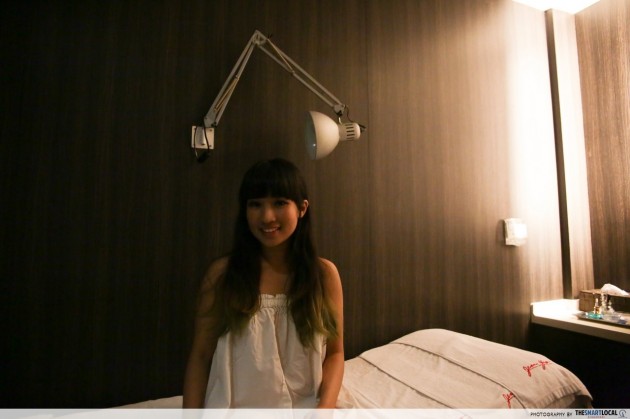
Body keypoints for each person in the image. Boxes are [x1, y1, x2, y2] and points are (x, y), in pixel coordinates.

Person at [183, 158, 344, 409]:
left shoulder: (323, 275)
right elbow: (201, 356)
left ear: (302, 208)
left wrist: (324, 410)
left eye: (279, 203)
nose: (267, 217)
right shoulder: (222, 275)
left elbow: (335, 354)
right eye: (255, 204)